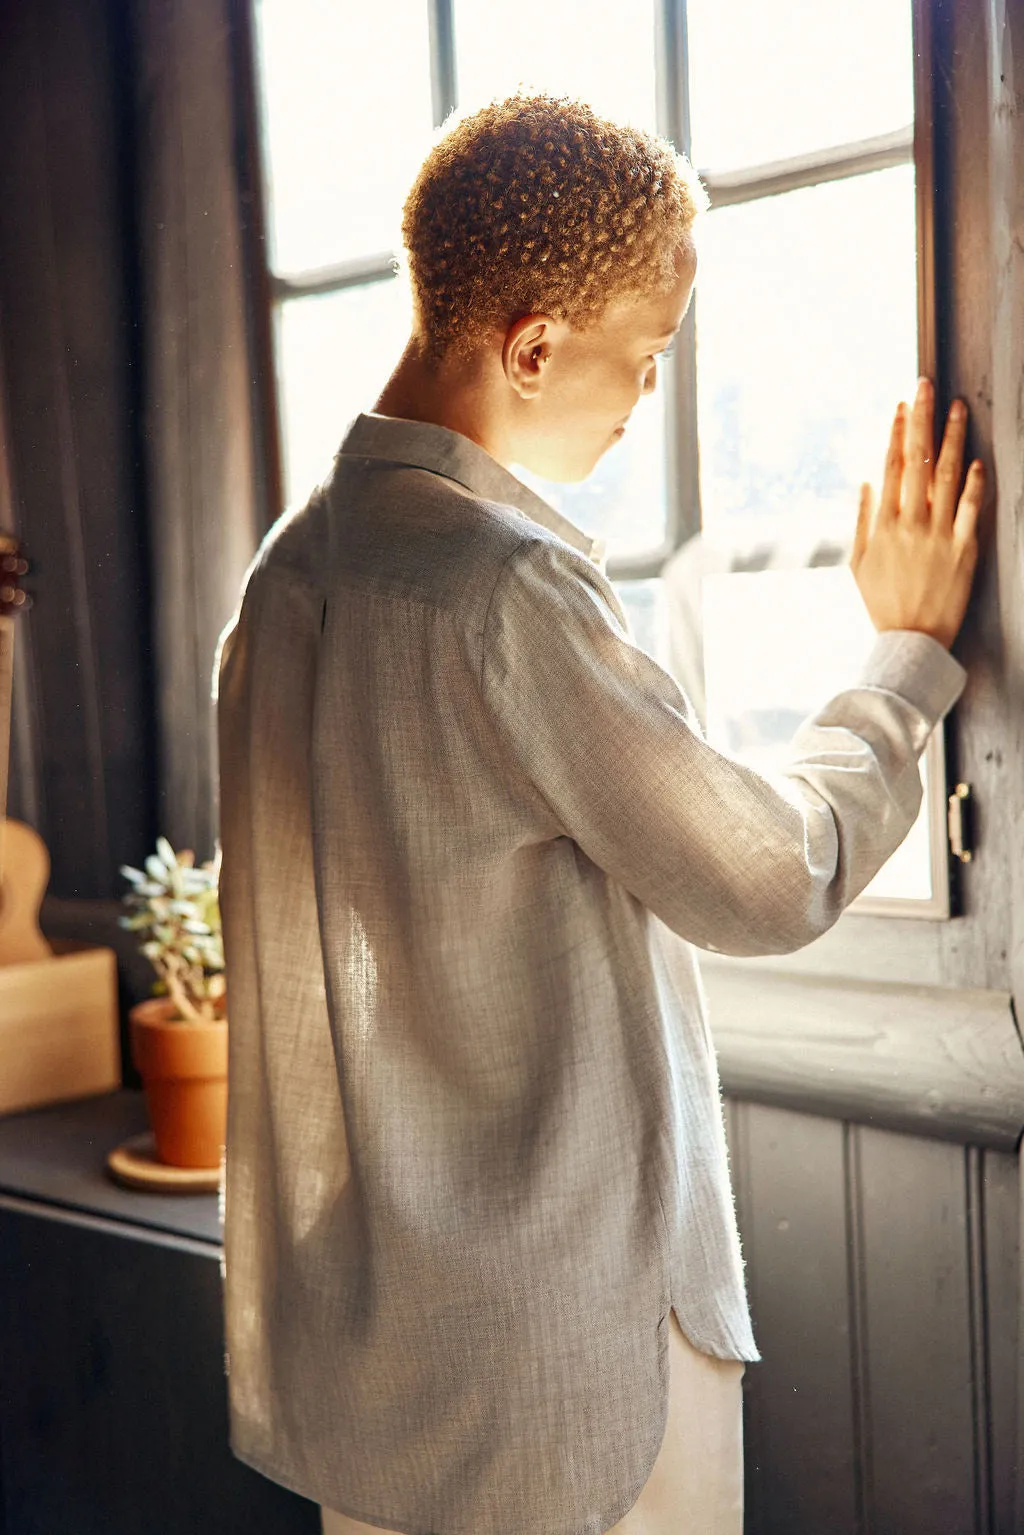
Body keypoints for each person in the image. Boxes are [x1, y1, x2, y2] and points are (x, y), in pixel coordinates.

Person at [215, 93, 982, 1535]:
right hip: (563, 1365)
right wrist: (904, 658)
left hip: (377, 1358)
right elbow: (770, 875)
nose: (645, 401)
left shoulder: (281, 583)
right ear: (534, 343)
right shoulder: (506, 585)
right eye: (647, 355)